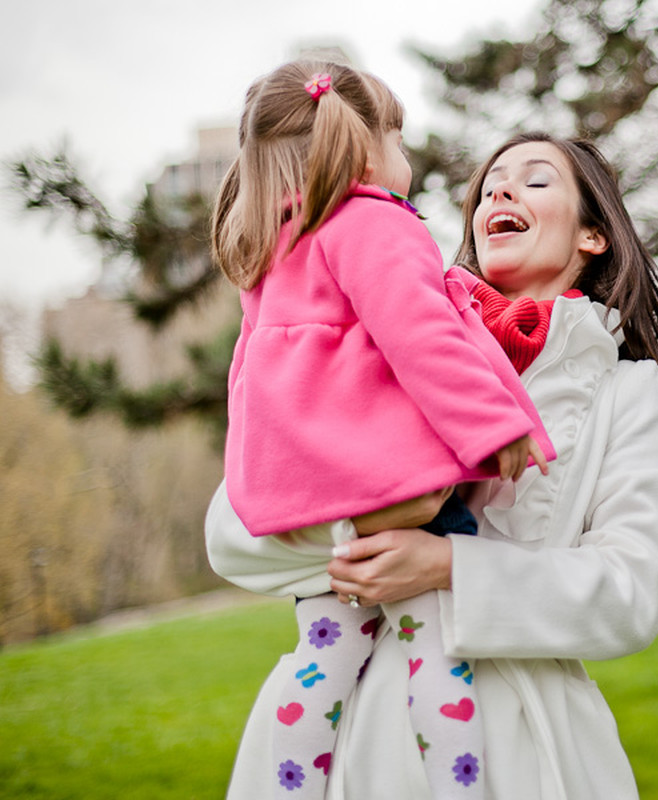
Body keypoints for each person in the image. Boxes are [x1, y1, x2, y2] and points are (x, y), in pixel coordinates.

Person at [207, 131, 658, 799]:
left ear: (593, 236)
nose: (500, 191)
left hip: (522, 750)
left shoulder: (626, 393)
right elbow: (231, 532)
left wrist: (449, 567)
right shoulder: (376, 342)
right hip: (342, 743)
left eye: (536, 180)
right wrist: (361, 530)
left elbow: (634, 591)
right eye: (490, 186)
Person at [210, 60, 553, 799]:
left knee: (322, 659)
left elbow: (250, 381)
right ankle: (458, 788)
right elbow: (423, 336)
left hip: (325, 496)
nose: (408, 151)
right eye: (398, 133)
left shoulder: (273, 249)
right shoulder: (372, 223)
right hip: (401, 482)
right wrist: (492, 427)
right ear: (365, 148)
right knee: (437, 650)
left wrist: (268, 479)